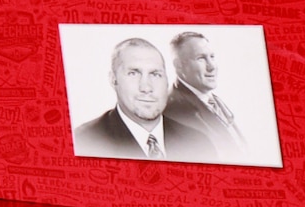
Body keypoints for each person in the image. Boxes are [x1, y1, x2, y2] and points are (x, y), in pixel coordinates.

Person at [71, 37, 245, 164]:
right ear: (113, 79)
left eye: (156, 74)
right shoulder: (85, 140)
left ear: (167, 81)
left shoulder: (199, 142)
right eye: (133, 73)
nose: (146, 87)